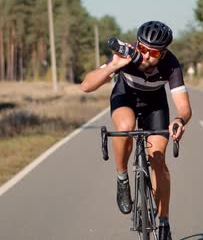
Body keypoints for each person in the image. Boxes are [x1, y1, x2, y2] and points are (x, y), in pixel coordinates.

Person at [81, 21, 192, 240]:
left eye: (153, 52)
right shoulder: (127, 54)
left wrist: (180, 120)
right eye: (142, 48)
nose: (146, 56)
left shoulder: (171, 64)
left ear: (163, 53)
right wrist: (114, 66)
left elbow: (184, 107)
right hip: (125, 97)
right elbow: (86, 86)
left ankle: (163, 223)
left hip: (155, 105)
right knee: (125, 127)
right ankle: (122, 178)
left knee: (158, 158)